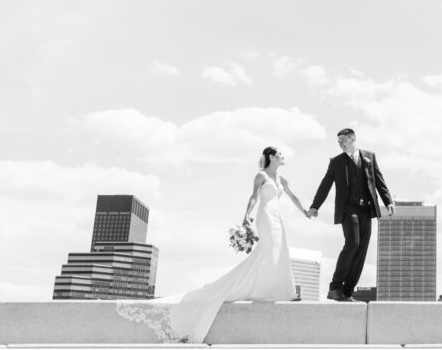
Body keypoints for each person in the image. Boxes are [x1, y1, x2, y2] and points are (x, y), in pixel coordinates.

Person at [116, 146, 311, 343]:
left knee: (281, 249)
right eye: (279, 154)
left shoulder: (282, 179)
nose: (283, 156)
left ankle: (283, 290)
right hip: (266, 216)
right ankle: (272, 288)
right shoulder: (261, 176)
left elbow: (293, 197)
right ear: (271, 157)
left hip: (278, 218)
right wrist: (246, 216)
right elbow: (253, 197)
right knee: (269, 250)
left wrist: (306, 212)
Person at [306, 128, 393, 301]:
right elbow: (325, 185)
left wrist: (388, 201)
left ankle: (347, 291)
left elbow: (379, 180)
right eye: (338, 142)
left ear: (353, 139)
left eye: (343, 141)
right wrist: (315, 206)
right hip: (348, 209)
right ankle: (335, 287)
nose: (340, 144)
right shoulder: (336, 162)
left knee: (361, 250)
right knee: (353, 242)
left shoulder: (369, 156)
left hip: (366, 210)